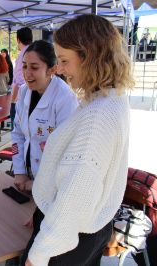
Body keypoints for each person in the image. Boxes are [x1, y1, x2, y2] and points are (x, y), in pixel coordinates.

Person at [22, 14, 134, 266]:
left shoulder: (98, 116)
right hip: (89, 230)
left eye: (64, 61)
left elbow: (75, 193)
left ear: (90, 58)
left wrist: (38, 254)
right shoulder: (111, 98)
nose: (59, 70)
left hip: (68, 240)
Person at [12, 40, 78, 193]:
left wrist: (39, 185)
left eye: (34, 67)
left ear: (52, 70)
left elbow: (67, 152)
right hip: (26, 175)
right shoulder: (23, 92)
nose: (27, 73)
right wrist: (19, 171)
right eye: (24, 66)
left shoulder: (64, 99)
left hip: (53, 183)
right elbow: (18, 134)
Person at [11, 27, 32, 130]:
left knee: (18, 130)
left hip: (22, 98)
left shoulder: (23, 54)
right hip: (33, 95)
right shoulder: (34, 51)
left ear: (18, 40)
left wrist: (12, 101)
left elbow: (19, 81)